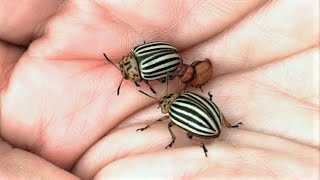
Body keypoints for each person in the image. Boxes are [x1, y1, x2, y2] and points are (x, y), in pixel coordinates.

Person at [0, 0, 318, 179]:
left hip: (196, 107)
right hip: (194, 104)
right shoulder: (166, 84)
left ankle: (218, 129)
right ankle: (220, 128)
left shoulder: (166, 91)